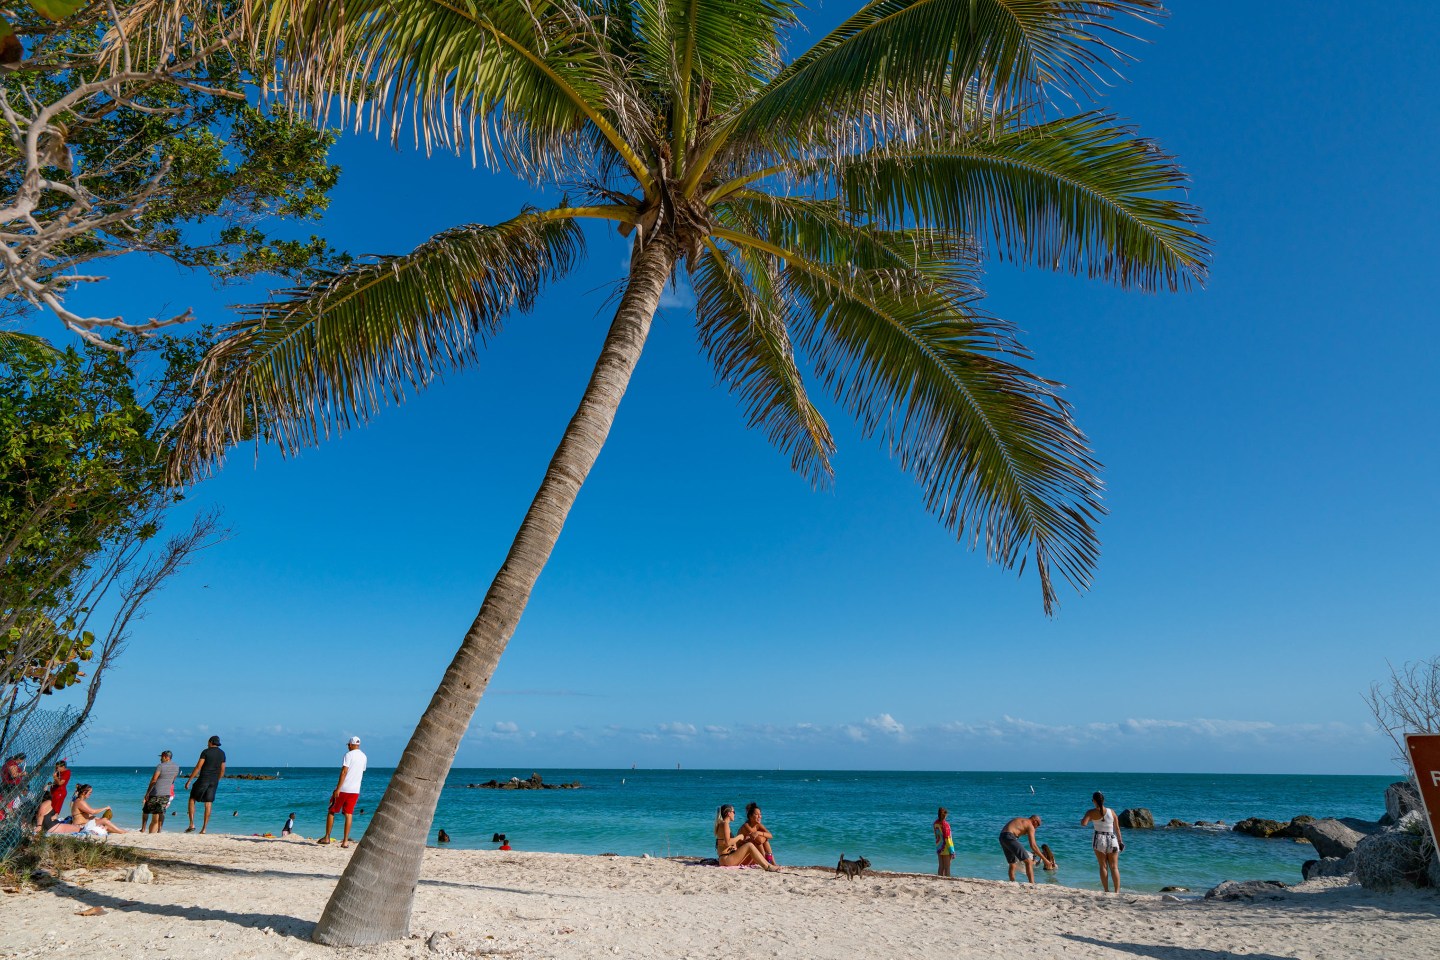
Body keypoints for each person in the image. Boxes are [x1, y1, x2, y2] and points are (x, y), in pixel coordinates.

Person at [319, 735, 367, 848]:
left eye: (348, 745)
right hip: (355, 790)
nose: (348, 747)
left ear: (351, 744)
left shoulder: (348, 755)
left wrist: (338, 789)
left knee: (331, 810)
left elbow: (344, 772)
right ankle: (345, 841)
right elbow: (361, 771)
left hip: (344, 789)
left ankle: (327, 837)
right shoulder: (364, 756)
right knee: (349, 814)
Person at [1081, 791, 1124, 892]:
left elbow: (1084, 824)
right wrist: (1120, 841)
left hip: (1099, 839)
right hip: (1112, 839)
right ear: (1103, 800)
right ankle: (1117, 891)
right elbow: (1117, 828)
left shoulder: (1091, 812)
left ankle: (1106, 890)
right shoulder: (1112, 812)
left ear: (1094, 801)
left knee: (1103, 866)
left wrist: (1089, 818)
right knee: (1114, 867)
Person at [183, 735, 226, 833]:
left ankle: (191, 824)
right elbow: (223, 770)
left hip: (204, 779)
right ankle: (204, 829)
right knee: (208, 803)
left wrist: (189, 780)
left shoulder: (205, 752)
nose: (207, 744)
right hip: (214, 781)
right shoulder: (222, 753)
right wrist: (217, 779)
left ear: (211, 742)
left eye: (208, 742)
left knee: (192, 799)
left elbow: (198, 767)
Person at [713, 804, 776, 870]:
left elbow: (726, 843)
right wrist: (740, 837)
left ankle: (770, 864)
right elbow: (727, 842)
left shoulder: (723, 824)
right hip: (726, 859)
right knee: (749, 845)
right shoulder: (725, 824)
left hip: (728, 858)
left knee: (753, 843)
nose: (734, 814)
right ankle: (768, 866)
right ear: (729, 813)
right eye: (734, 812)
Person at [998, 814, 1045, 883]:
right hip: (1010, 837)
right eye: (1038, 825)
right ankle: (1032, 883)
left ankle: (1012, 882)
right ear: (1035, 821)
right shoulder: (1030, 825)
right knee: (1028, 861)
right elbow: (1033, 845)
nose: (1037, 827)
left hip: (1002, 837)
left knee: (1012, 863)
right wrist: (1045, 860)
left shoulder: (1021, 820)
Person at [143, 750, 180, 833]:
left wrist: (147, 792)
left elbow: (154, 779)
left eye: (162, 757)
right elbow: (173, 780)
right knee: (161, 812)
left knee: (147, 811)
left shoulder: (160, 766)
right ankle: (159, 830)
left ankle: (144, 829)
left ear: (166, 757)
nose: (161, 759)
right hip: (168, 793)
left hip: (156, 792)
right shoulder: (176, 767)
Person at [934, 807, 955, 877]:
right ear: (945, 815)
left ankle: (939, 880)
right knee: (947, 868)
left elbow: (937, 836)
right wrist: (952, 851)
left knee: (941, 867)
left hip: (939, 847)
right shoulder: (946, 825)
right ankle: (947, 881)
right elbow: (948, 838)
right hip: (946, 848)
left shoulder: (935, 824)